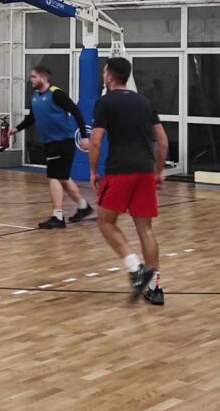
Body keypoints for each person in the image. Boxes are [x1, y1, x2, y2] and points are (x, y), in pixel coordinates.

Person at [89, 57, 168, 306]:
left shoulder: (104, 102)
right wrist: (157, 172)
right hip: (144, 171)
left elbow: (95, 141)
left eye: (104, 72)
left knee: (105, 221)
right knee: (145, 229)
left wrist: (93, 171)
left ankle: (135, 269)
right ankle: (155, 287)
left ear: (110, 77)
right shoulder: (144, 102)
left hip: (120, 170)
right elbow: (162, 141)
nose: (103, 76)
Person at [9, 65, 92, 229]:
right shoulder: (34, 97)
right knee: (63, 178)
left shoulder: (56, 94)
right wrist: (17, 129)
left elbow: (76, 112)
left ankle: (57, 216)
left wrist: (84, 136)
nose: (31, 79)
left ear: (44, 78)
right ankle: (83, 206)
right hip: (50, 142)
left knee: (53, 176)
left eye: (34, 76)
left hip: (62, 141)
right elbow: (32, 118)